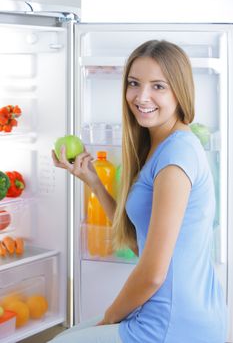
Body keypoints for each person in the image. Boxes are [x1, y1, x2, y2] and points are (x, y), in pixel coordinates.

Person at [50, 40, 227, 343]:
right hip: (173, 312)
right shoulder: (160, 146)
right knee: (70, 335)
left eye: (158, 86)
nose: (141, 97)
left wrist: (108, 318)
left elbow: (153, 274)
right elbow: (138, 243)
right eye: (134, 83)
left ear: (179, 92)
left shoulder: (175, 158)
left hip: (173, 324)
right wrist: (94, 182)